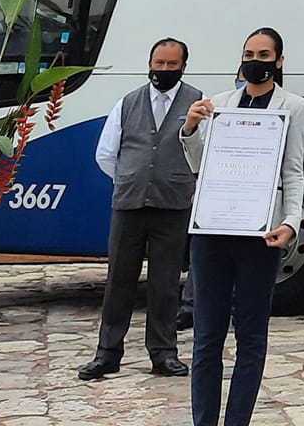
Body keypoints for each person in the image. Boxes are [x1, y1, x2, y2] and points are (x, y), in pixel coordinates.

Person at [180, 27, 304, 426]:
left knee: (251, 337)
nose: (256, 61)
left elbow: (293, 169)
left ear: (279, 61)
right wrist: (190, 129)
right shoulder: (219, 104)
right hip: (213, 231)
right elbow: (200, 165)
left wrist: (291, 222)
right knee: (206, 336)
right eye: (249, 54)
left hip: (259, 235)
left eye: (264, 55)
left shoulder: (295, 106)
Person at [78, 37, 202, 380]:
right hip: (129, 205)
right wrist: (129, 179)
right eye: (159, 63)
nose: (164, 69)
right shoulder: (128, 102)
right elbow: (106, 153)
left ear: (183, 67)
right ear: (150, 64)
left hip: (172, 205)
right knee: (119, 280)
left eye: (171, 64)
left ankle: (163, 353)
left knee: (165, 284)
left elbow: (202, 150)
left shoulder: (197, 102)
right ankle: (107, 353)